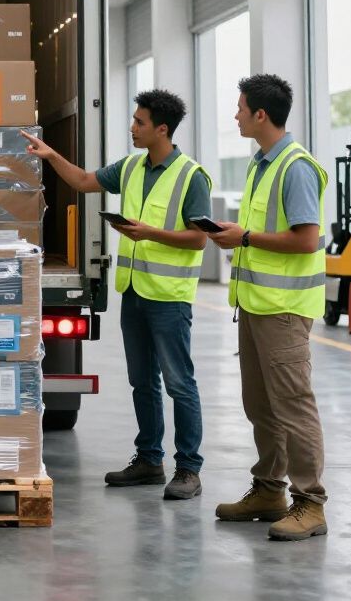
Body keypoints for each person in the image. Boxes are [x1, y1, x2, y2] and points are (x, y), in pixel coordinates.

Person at [22, 89, 212, 500]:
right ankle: (148, 460)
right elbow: (85, 181)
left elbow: (199, 239)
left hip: (169, 297)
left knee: (180, 383)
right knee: (142, 381)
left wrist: (149, 232)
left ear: (163, 128)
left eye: (140, 122)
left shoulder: (191, 175)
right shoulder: (131, 167)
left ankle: (188, 470)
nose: (133, 128)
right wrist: (50, 155)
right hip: (135, 292)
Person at [209, 74, 329, 541]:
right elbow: (265, 231)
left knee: (293, 406)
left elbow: (305, 239)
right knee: (261, 406)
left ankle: (311, 503)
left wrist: (247, 237)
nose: (236, 115)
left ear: (261, 114)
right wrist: (237, 232)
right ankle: (269, 491)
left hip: (283, 308)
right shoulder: (262, 164)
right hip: (257, 305)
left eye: (240, 108)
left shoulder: (295, 166)